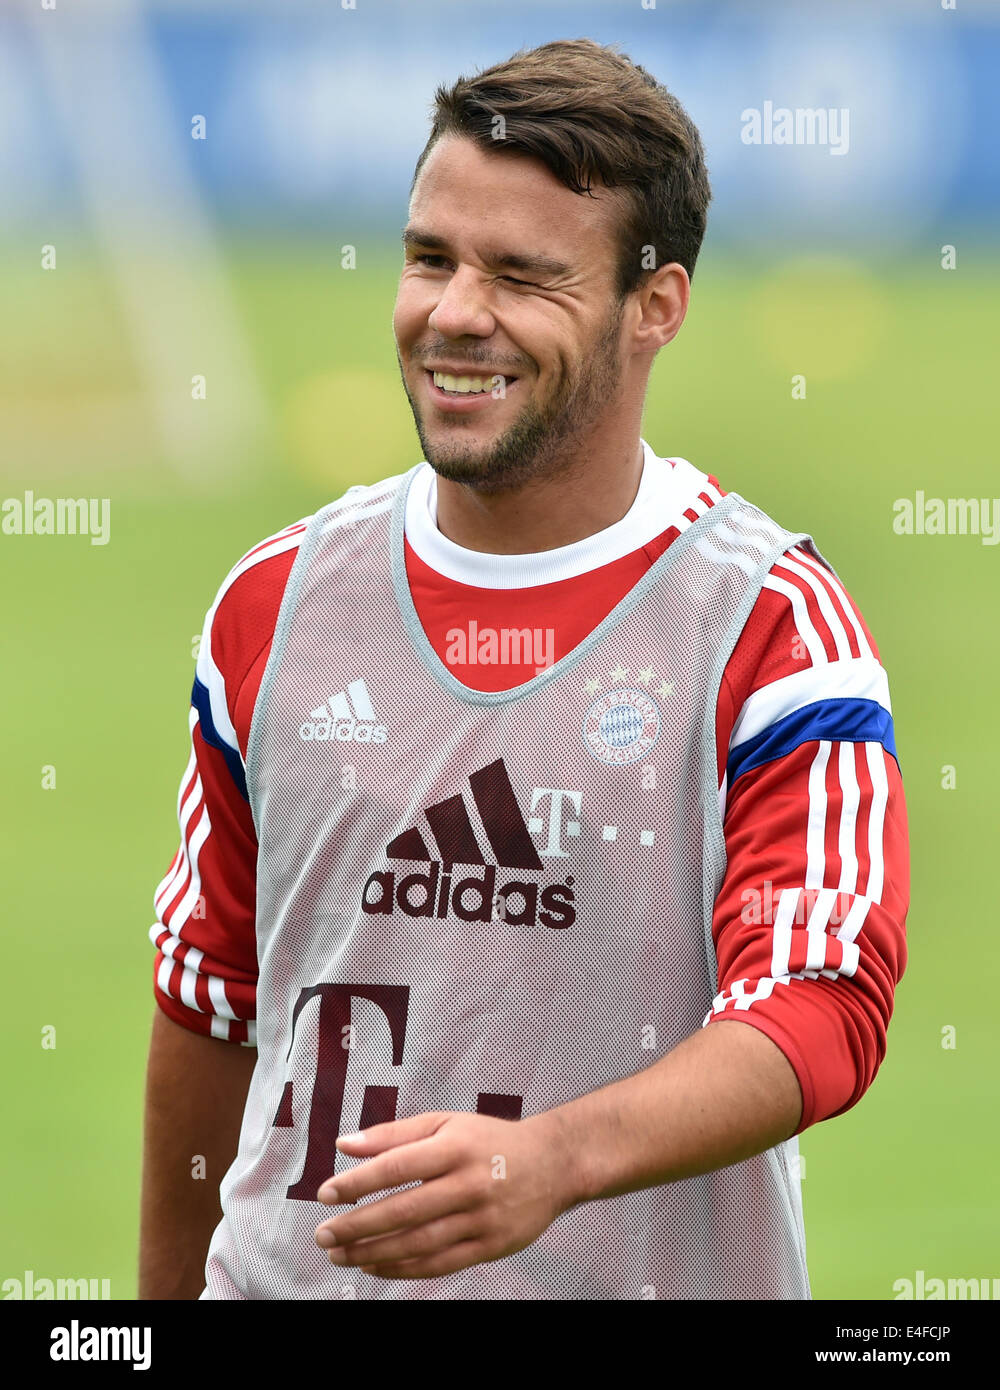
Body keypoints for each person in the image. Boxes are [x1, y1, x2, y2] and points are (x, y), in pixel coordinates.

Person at [139, 38, 908, 1300]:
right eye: (430, 257)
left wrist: (554, 1159)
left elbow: (822, 1002)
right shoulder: (272, 604)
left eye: (522, 275)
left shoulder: (770, 626)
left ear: (654, 305)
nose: (453, 312)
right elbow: (208, 995)